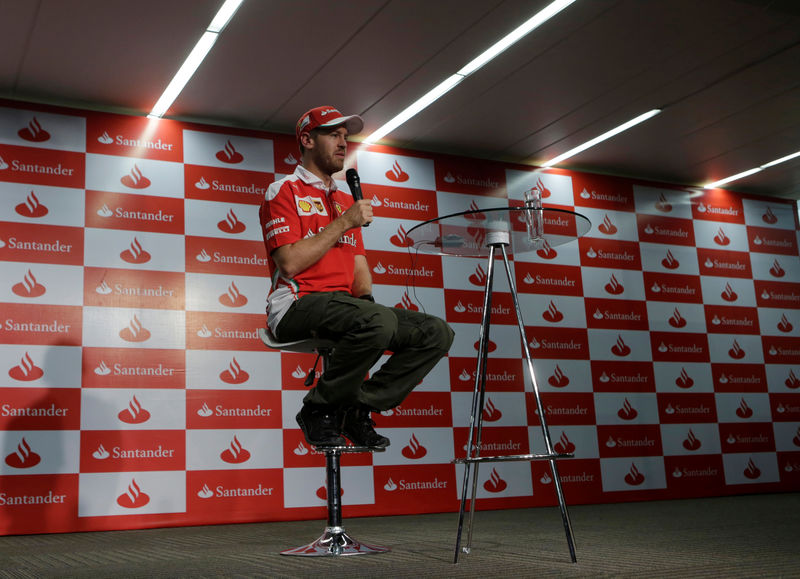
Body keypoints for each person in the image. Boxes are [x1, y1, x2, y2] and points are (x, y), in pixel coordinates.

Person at [259, 106, 454, 448]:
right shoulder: (283, 191)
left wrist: (368, 310)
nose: (342, 144)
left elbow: (358, 268)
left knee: (435, 332)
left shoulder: (346, 198)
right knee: (377, 320)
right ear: (307, 139)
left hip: (342, 305)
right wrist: (345, 222)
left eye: (345, 137)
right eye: (333, 135)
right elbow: (289, 263)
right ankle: (318, 409)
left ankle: (357, 407)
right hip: (296, 304)